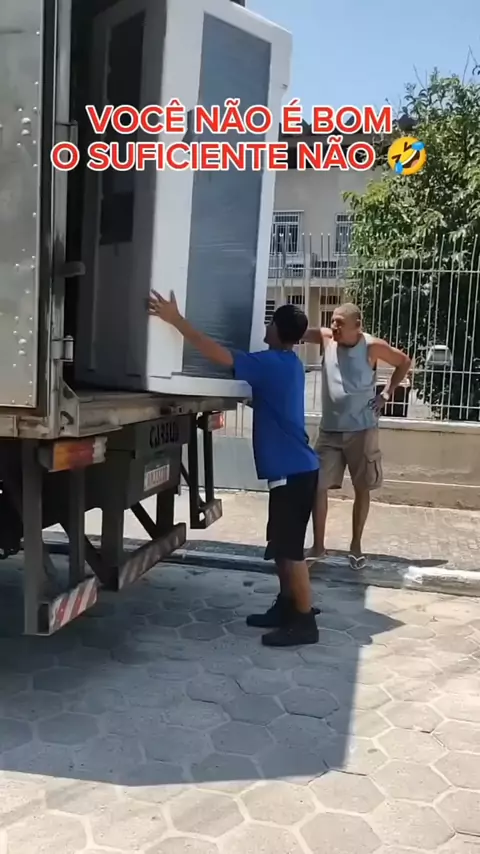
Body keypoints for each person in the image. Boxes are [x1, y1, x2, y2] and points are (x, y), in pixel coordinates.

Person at [148, 290, 320, 647]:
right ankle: (286, 606)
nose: (266, 326)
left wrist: (175, 320)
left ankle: (304, 622)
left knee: (291, 551)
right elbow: (268, 400)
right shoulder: (287, 364)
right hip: (292, 472)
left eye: (270, 322)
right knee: (279, 545)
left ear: (278, 331)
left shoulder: (270, 364)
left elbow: (217, 353)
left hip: (293, 473)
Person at [303, 303, 411, 569]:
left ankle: (356, 546)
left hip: (362, 430)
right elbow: (297, 331)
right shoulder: (327, 338)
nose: (334, 326)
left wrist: (387, 393)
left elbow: (404, 362)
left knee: (362, 488)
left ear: (357, 326)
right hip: (329, 431)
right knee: (316, 486)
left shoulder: (371, 347)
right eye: (332, 321)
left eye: (340, 322)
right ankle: (318, 547)